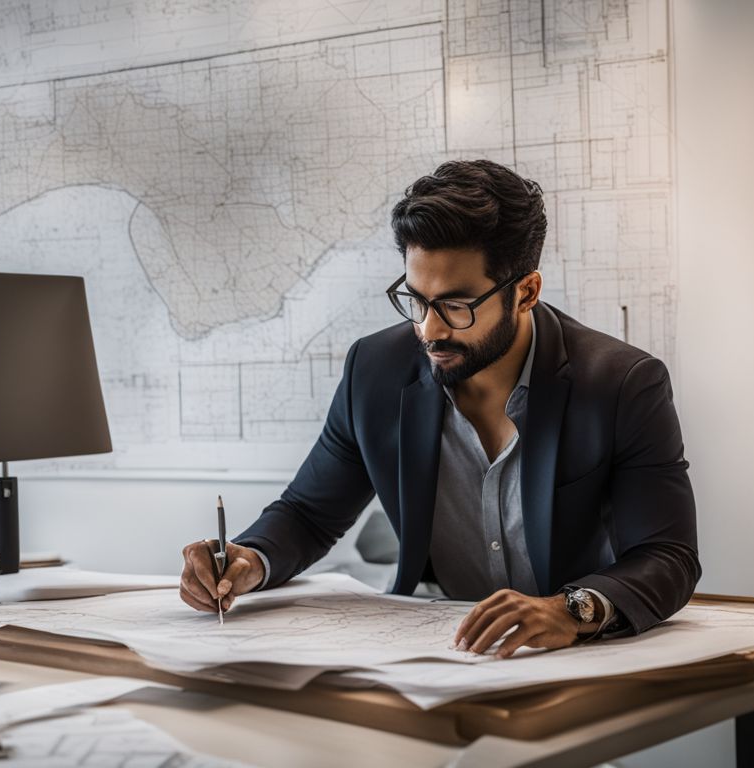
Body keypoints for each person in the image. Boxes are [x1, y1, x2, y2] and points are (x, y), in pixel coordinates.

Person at [178, 159, 700, 658]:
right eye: (416, 299)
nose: (429, 329)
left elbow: (667, 555)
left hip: (570, 653)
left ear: (526, 291)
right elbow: (310, 514)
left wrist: (572, 609)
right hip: (427, 645)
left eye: (456, 305)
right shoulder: (375, 370)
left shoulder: (622, 383)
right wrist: (249, 559)